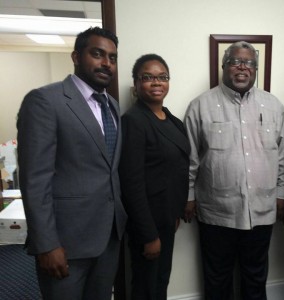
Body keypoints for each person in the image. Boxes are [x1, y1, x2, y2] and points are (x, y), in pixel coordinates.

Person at [17, 27, 127, 300]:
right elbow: (34, 180)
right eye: (97, 54)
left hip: (109, 237)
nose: (106, 63)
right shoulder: (45, 101)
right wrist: (47, 244)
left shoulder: (112, 105)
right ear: (76, 57)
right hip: (65, 243)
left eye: (112, 58)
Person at [184, 41, 284, 300]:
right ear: (224, 66)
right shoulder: (200, 106)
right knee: (217, 278)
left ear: (255, 69)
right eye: (235, 62)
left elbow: (283, 156)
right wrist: (188, 196)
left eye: (249, 63)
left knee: (255, 276)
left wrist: (282, 194)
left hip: (261, 209)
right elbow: (190, 157)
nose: (242, 68)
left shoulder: (274, 106)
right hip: (216, 210)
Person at [119, 54, 190, 300]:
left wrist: (176, 212)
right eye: (147, 77)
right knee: (146, 287)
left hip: (167, 218)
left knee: (160, 282)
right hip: (147, 223)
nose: (156, 83)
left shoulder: (172, 120)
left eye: (162, 77)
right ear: (136, 84)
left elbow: (177, 168)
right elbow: (132, 183)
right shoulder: (134, 120)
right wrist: (149, 235)